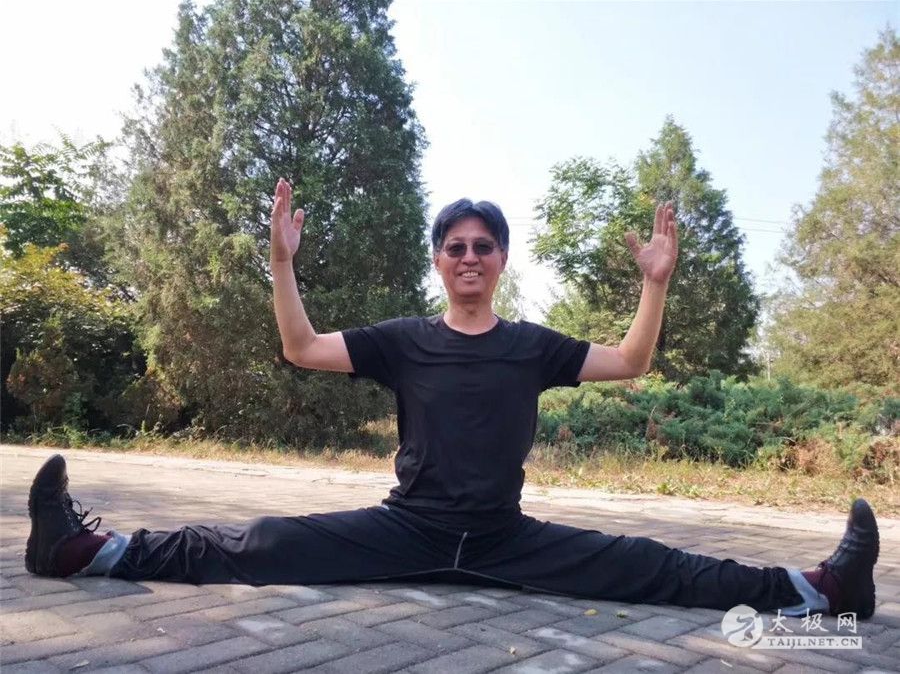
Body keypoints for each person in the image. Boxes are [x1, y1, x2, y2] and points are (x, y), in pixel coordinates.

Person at [26, 178, 879, 619]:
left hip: (507, 538)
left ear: (501, 259)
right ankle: (83, 552)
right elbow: (301, 347)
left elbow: (630, 360)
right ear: (438, 260)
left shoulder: (533, 346)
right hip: (406, 528)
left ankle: (821, 589)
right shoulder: (404, 339)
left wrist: (654, 284)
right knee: (259, 539)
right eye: (455, 246)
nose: (469, 256)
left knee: (654, 567)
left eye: (483, 246)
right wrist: (282, 265)